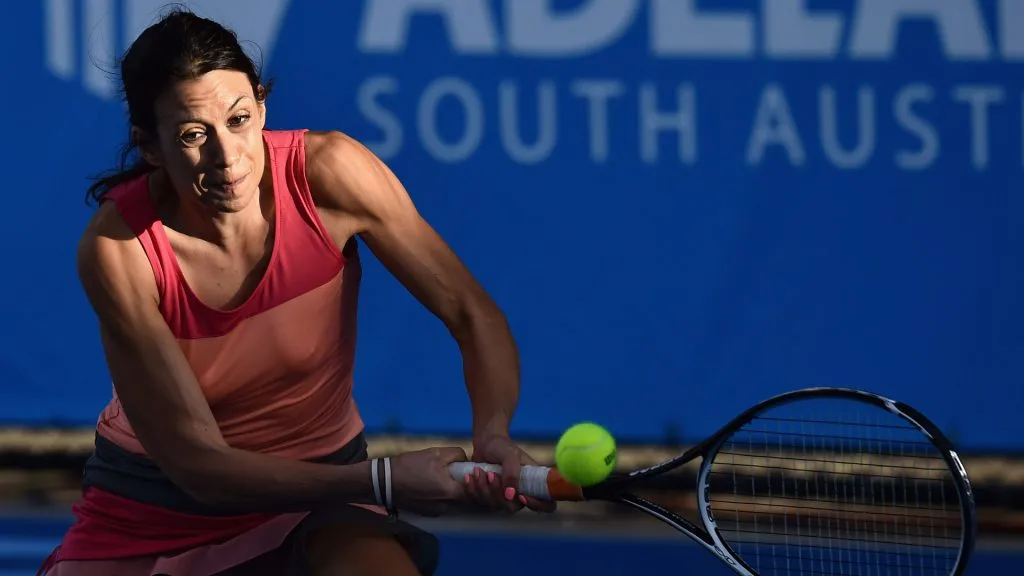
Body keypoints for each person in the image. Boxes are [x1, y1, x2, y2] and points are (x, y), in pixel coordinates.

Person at [38, 7, 554, 576]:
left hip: (323, 494)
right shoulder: (119, 251)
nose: (227, 156)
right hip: (156, 506)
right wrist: (381, 479)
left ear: (261, 105)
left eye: (238, 119)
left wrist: (494, 434)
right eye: (192, 135)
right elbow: (200, 467)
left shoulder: (333, 172)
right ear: (151, 146)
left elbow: (472, 314)